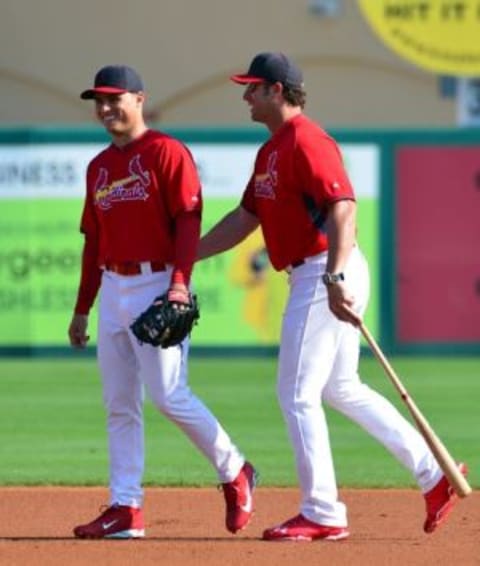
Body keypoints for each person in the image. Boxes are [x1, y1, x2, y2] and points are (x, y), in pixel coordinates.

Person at [197, 52, 467, 541]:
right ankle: (434, 475)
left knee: (296, 393)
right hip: (319, 270)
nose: (245, 96)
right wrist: (188, 255)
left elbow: (342, 208)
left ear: (277, 90)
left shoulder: (307, 140)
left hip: (324, 268)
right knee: (340, 388)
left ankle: (322, 510)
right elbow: (244, 219)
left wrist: (335, 276)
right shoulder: (271, 150)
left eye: (253, 87)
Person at [68, 64, 257, 539]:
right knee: (119, 403)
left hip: (157, 284)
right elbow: (94, 242)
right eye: (100, 101)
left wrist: (178, 282)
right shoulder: (99, 167)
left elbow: (188, 222)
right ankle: (125, 507)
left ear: (139, 99)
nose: (107, 108)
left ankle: (235, 469)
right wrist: (82, 307)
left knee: (169, 395)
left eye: (116, 98)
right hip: (113, 285)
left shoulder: (167, 152)